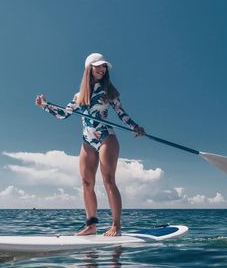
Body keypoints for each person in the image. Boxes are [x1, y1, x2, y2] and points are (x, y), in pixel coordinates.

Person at [35, 53, 145, 236]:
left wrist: (135, 127)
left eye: (104, 67)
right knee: (86, 183)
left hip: (105, 138)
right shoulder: (79, 96)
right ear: (89, 68)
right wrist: (45, 105)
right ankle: (91, 225)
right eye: (98, 66)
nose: (102, 69)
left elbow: (121, 114)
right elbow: (63, 114)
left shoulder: (109, 92)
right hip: (87, 141)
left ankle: (116, 226)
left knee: (109, 181)